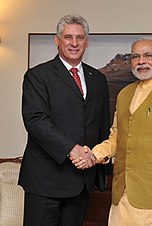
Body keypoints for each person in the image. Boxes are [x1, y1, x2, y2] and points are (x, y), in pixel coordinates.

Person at [71, 37, 152, 226]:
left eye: (148, 55)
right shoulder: (124, 94)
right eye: (135, 56)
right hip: (122, 200)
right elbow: (117, 138)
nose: (141, 61)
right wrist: (92, 154)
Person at [18, 14, 110, 226]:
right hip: (45, 182)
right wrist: (73, 149)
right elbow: (36, 121)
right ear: (57, 40)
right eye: (68, 37)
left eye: (80, 37)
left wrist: (96, 158)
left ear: (87, 41)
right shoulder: (37, 76)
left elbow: (101, 125)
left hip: (82, 180)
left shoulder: (98, 79)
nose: (74, 43)